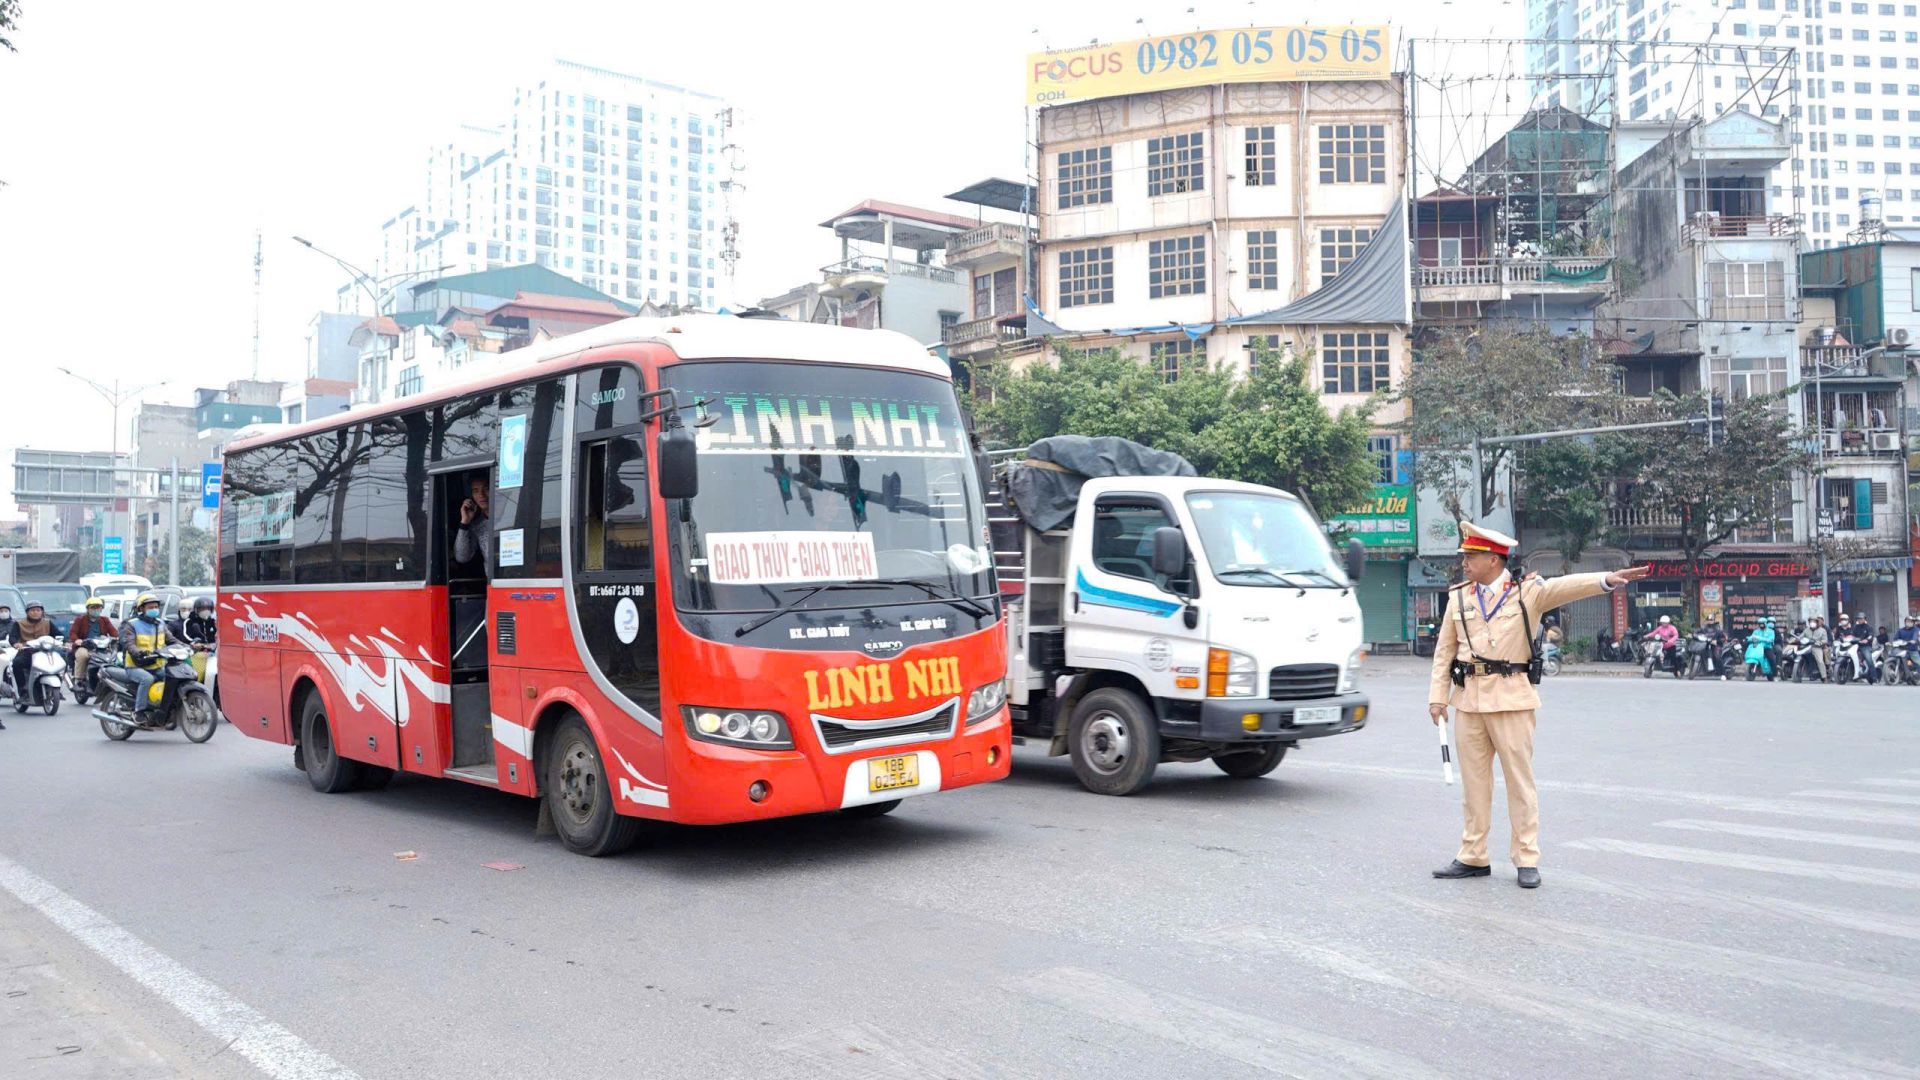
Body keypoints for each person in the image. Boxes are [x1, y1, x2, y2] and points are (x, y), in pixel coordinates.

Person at [1429, 522, 1651, 889]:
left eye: (1470, 556)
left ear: (1492, 560)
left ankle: (1526, 857)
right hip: (1468, 701)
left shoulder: (1526, 593)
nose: (1464, 562)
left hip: (1512, 700)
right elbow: (1444, 652)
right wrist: (1438, 697)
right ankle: (1473, 855)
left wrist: (1608, 579)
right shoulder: (1458, 597)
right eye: (1465, 556)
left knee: (1520, 783)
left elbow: (1565, 588)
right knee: (1474, 785)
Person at [118, 593, 184, 721]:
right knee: (147, 679)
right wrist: (139, 652)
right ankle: (139, 712)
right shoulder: (132, 624)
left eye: (156, 606)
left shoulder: (160, 624)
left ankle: (165, 710)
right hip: (135, 665)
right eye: (150, 607)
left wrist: (186, 646)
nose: (154, 609)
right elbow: (129, 644)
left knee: (171, 678)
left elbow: (171, 639)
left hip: (156, 664)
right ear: (141, 609)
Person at [10, 601, 60, 704]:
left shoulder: (47, 623)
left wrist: (66, 642)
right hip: (27, 651)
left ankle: (57, 688)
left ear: (42, 612)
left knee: (61, 662)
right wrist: (16, 644)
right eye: (33, 610)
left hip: (45, 651)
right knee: (17, 663)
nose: (36, 612)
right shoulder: (19, 624)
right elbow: (13, 637)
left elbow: (58, 634)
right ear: (27, 612)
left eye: (38, 610)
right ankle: (23, 691)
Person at [68, 597, 116, 686]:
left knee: (112, 658)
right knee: (83, 656)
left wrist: (117, 638)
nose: (96, 610)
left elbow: (113, 632)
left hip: (101, 647)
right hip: (85, 646)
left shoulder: (104, 620)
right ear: (88, 609)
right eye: (93, 607)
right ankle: (78, 679)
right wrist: (77, 640)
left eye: (98, 607)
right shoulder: (80, 620)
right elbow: (73, 633)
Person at [453, 476, 492, 575]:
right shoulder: (477, 525)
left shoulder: (509, 518)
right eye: (475, 491)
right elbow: (461, 557)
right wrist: (465, 522)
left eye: (486, 489)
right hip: (493, 584)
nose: (481, 495)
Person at [1806, 617, 1830, 682]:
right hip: (1807, 647)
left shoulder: (1822, 630)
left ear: (1817, 623)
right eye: (1811, 622)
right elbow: (1801, 637)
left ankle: (1824, 677)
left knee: (1820, 661)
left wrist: (1820, 642)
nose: (1812, 623)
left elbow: (1825, 640)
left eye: (1813, 622)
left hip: (1817, 647)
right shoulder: (1807, 630)